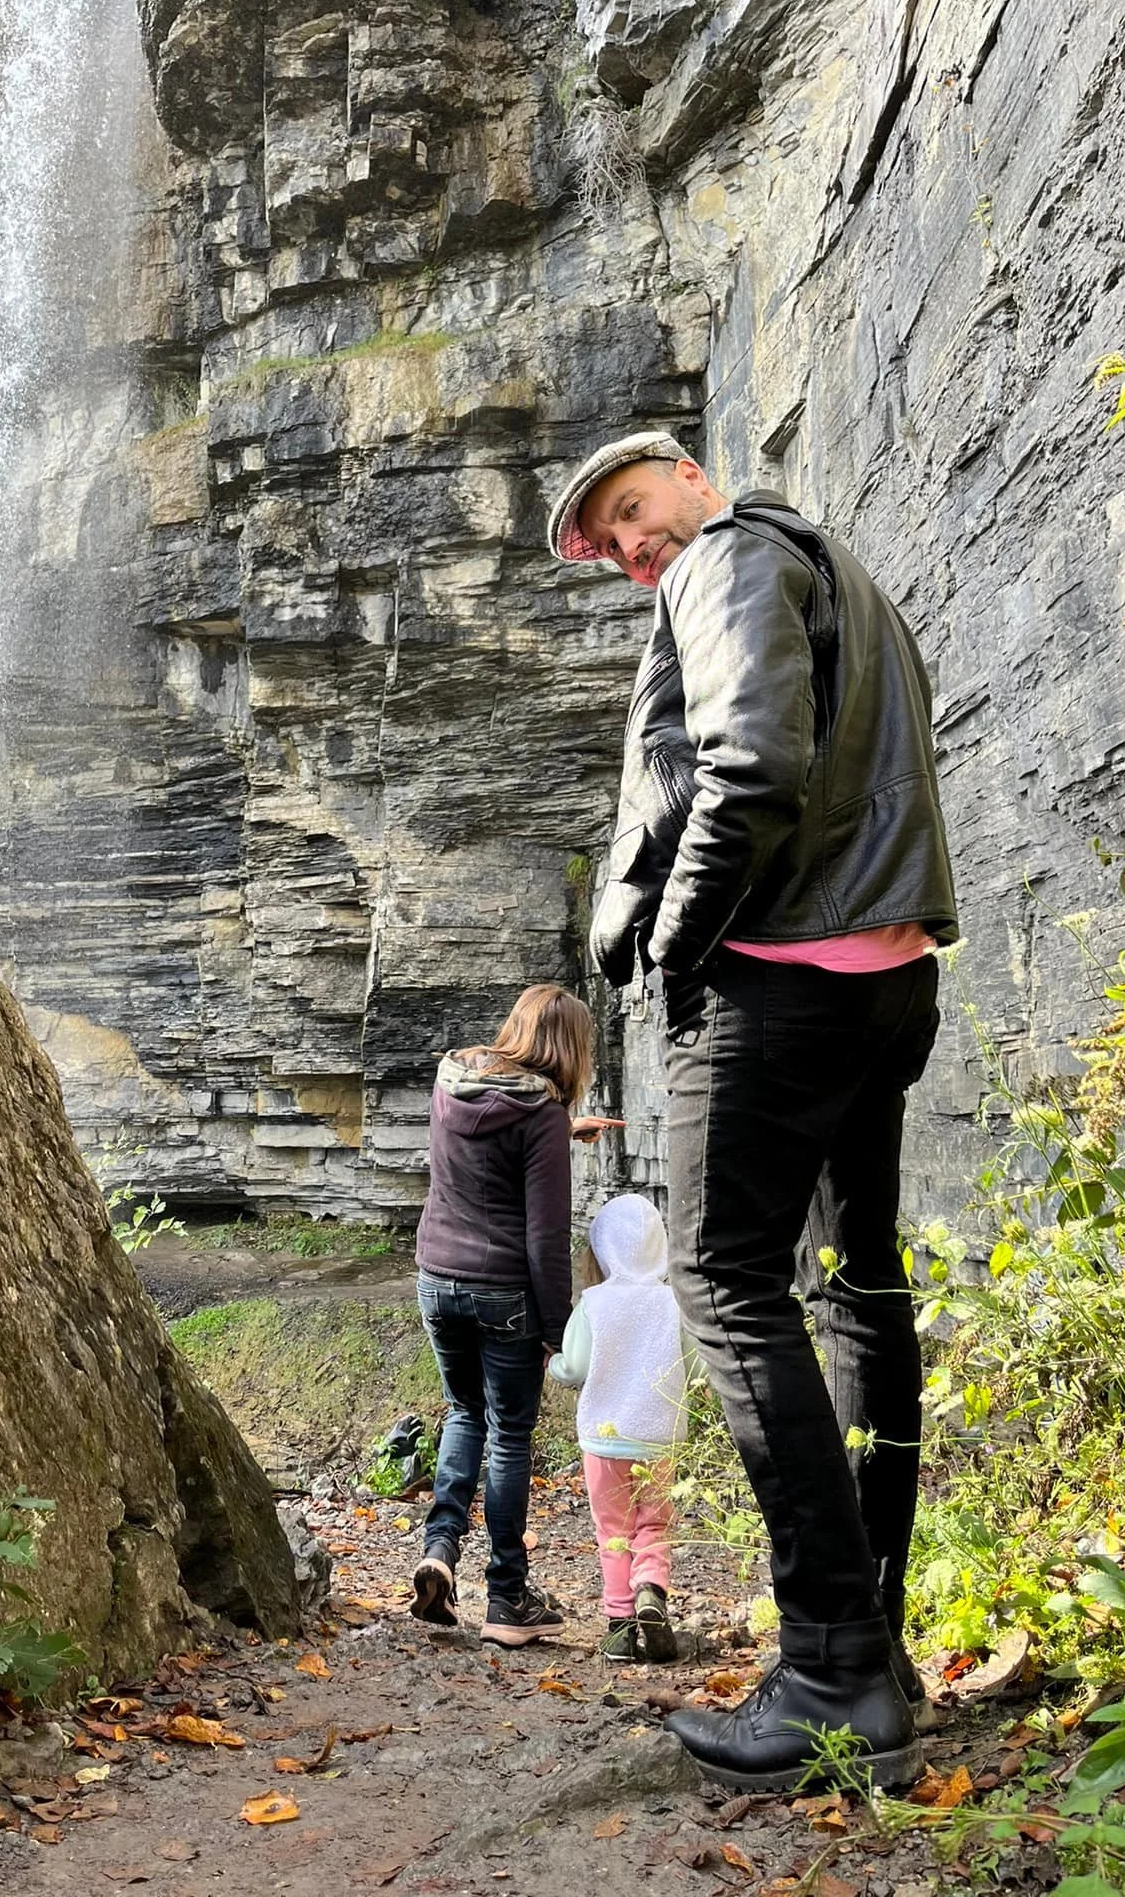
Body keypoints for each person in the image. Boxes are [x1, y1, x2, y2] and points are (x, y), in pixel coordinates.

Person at [546, 433, 958, 1789]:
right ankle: (876, 1646)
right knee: (857, 1286)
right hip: (885, 971)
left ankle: (833, 1667)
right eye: (609, 544)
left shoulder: (724, 559)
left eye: (629, 508)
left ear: (690, 473)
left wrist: (674, 947)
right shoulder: (839, 570)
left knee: (726, 1283)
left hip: (780, 979)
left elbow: (753, 766)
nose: (630, 545)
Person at [410, 983, 594, 1645]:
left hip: (437, 1276)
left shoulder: (451, 1080)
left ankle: (439, 1550)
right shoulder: (540, 1115)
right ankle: (507, 1600)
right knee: (510, 1436)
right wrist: (557, 1330)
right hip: (504, 1291)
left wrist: (561, 1133)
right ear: (569, 1049)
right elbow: (546, 1237)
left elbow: (481, 1154)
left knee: (464, 1412)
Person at [548, 1194, 687, 1664]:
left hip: (604, 1440)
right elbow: (695, 1365)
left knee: (613, 1530)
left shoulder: (594, 1303)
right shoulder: (673, 1303)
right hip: (660, 1435)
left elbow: (574, 1367)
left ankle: (620, 1628)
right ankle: (651, 1589)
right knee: (655, 1523)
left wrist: (553, 1365)